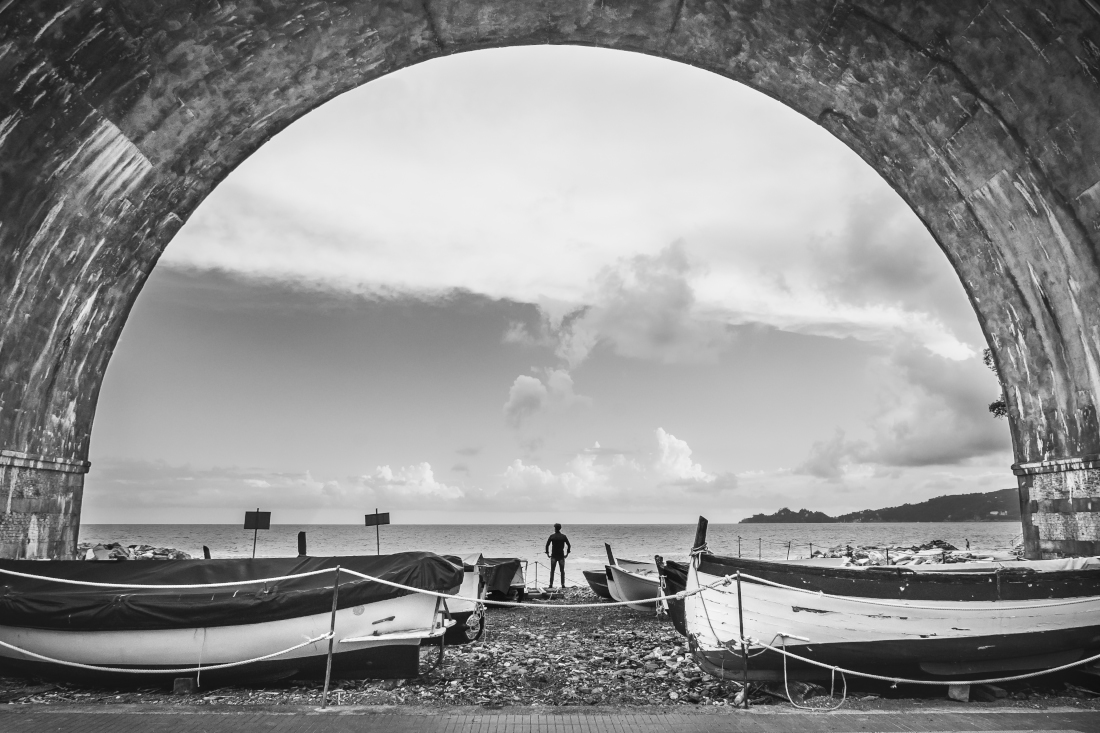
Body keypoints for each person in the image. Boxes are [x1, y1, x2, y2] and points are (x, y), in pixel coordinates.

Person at [545, 523, 571, 588]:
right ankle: (563, 584)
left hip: (553, 555)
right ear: (560, 528)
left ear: (555, 528)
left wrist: (547, 553)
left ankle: (551, 584)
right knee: (562, 571)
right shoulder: (563, 536)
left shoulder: (552, 536)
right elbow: (569, 545)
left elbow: (547, 545)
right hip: (561, 556)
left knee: (552, 570)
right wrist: (567, 553)